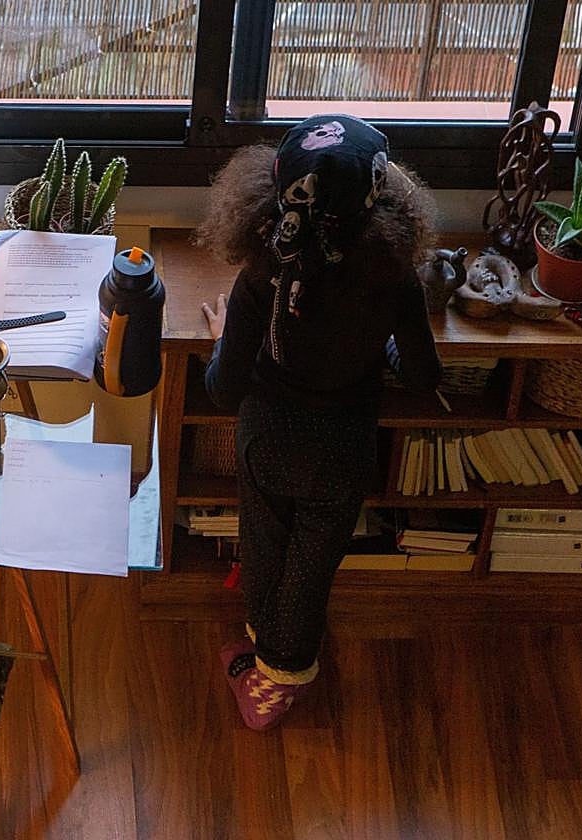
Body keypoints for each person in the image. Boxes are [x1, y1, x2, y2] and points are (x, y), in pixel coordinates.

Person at [197, 115, 441, 731]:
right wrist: (381, 346)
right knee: (311, 567)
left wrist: (225, 339)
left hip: (269, 440)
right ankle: (279, 663)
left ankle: (271, 681)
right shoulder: (395, 277)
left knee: (266, 549)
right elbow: (422, 376)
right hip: (342, 447)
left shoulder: (262, 275)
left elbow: (224, 391)